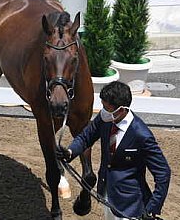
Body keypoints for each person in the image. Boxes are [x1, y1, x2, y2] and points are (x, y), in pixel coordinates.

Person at [56, 81, 171, 220]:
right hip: (107, 194)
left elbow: (163, 172)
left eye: (107, 108)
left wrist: (152, 209)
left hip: (130, 206)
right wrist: (69, 152)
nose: (103, 111)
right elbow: (85, 137)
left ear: (121, 110)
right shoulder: (106, 119)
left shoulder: (142, 135)